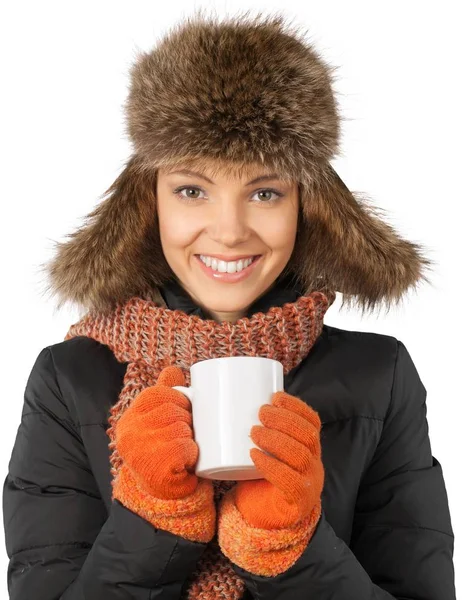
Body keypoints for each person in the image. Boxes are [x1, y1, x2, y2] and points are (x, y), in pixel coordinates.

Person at [2, 9, 456, 600]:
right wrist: (153, 518)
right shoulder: (69, 380)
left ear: (306, 205)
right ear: (151, 202)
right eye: (193, 190)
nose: (230, 231)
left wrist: (288, 544)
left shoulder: (381, 376)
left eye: (264, 192)